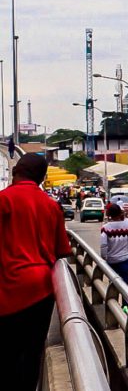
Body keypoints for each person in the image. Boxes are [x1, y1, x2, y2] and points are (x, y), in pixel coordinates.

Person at [0, 154, 72, 390]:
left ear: (16, 172)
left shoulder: (4, 200)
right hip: (42, 288)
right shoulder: (51, 205)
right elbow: (62, 249)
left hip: (9, 287)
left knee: (8, 354)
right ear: (41, 178)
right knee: (32, 352)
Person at [100, 203, 128, 284]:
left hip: (111, 261)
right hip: (124, 260)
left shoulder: (105, 228)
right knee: (125, 284)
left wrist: (104, 258)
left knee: (113, 284)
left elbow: (103, 245)